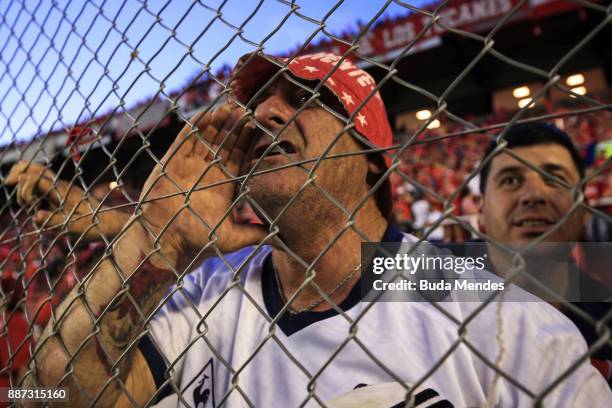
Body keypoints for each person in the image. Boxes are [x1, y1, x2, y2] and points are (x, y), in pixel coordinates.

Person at [7, 53, 611, 407]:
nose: (266, 113)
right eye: (262, 101)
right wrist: (152, 240)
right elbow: (43, 397)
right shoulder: (204, 292)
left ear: (374, 153)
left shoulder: (501, 318)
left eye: (304, 98)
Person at [478, 122, 612, 383]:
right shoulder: (429, 303)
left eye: (555, 179)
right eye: (510, 180)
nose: (533, 195)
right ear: (481, 212)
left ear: (583, 210)